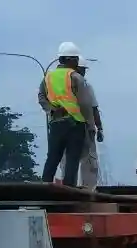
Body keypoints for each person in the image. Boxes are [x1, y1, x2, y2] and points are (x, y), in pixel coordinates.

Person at [38, 42, 95, 187]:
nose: (77, 62)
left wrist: (51, 110)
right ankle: (69, 189)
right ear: (69, 60)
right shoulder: (75, 77)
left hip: (56, 123)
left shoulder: (48, 77)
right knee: (72, 159)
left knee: (53, 157)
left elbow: (41, 97)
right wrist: (90, 125)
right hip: (75, 124)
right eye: (75, 59)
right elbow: (85, 104)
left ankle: (44, 186)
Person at [61, 55, 104, 190]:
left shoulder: (61, 87)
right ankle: (88, 191)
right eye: (83, 69)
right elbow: (93, 108)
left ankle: (68, 189)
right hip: (84, 129)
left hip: (64, 129)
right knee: (89, 162)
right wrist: (99, 128)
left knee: (67, 162)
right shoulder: (85, 85)